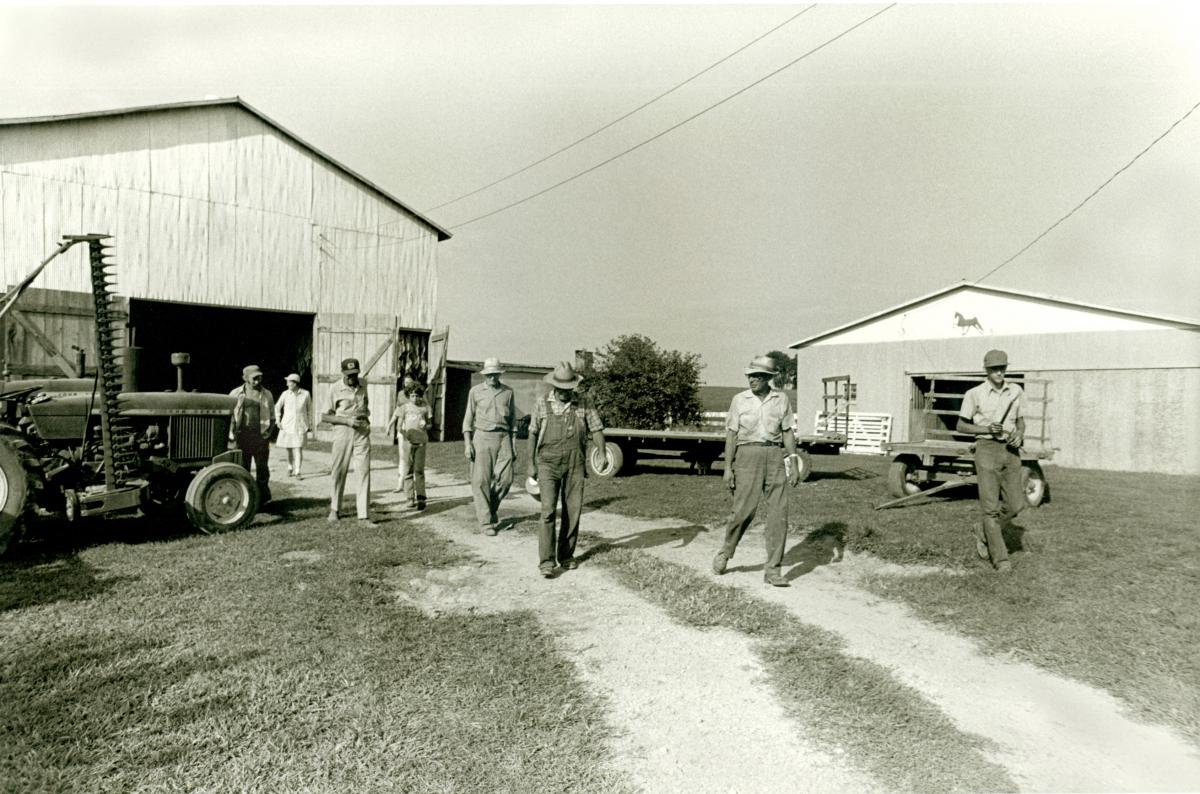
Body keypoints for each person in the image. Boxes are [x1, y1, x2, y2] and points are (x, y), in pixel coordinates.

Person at [712, 356, 801, 587]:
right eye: (750, 376)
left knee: (778, 515)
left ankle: (773, 569)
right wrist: (727, 468)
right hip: (746, 456)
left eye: (757, 376)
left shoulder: (781, 400)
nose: (751, 380)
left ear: (767, 378)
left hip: (774, 456)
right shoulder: (739, 400)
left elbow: (788, 432)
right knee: (743, 511)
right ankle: (726, 552)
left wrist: (793, 460)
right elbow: (731, 434)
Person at [528, 361, 605, 578]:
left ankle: (566, 555)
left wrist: (601, 452)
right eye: (561, 389)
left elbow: (597, 429)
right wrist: (530, 464)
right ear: (554, 386)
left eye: (568, 389)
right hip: (547, 463)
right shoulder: (542, 403)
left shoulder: (584, 402)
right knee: (548, 510)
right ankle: (546, 561)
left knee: (573, 510)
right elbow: (532, 433)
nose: (565, 393)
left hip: (575, 463)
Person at [956, 349, 1026, 573]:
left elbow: (1021, 421)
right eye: (994, 368)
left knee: (1016, 504)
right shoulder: (974, 394)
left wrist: (1020, 434)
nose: (999, 372)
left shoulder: (1015, 391)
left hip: (1011, 450)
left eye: (1002, 368)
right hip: (986, 449)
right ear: (986, 370)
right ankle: (1001, 558)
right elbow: (961, 425)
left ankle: (983, 530)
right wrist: (986, 428)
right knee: (990, 508)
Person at [462, 357, 517, 536]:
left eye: (495, 374)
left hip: (504, 436)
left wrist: (513, 445)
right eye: (489, 375)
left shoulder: (508, 392)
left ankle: (489, 508)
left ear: (499, 374)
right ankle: (486, 522)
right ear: (485, 375)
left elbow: (513, 420)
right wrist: (467, 443)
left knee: (506, 479)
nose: (492, 378)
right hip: (482, 436)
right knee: (481, 481)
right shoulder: (475, 392)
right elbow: (468, 418)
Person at [323, 357, 376, 527]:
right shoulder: (335, 389)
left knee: (363, 471)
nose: (352, 378)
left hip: (361, 432)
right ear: (343, 373)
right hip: (343, 431)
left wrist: (366, 421)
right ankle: (335, 509)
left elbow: (364, 406)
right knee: (339, 470)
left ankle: (364, 516)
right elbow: (325, 416)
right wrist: (347, 421)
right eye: (349, 375)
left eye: (354, 374)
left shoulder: (363, 384)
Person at [229, 364, 277, 505]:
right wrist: (232, 434)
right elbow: (230, 415)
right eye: (254, 378)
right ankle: (246, 500)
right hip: (242, 436)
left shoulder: (267, 394)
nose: (258, 381)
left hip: (260, 437)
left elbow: (273, 417)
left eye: (259, 377)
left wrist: (268, 433)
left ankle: (263, 500)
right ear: (245, 378)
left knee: (262, 469)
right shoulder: (235, 394)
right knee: (243, 469)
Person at [396, 383, 431, 509]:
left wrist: (425, 425)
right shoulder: (404, 407)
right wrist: (404, 433)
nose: (415, 398)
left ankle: (421, 498)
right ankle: (409, 498)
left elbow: (430, 425)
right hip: (408, 443)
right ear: (408, 396)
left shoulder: (424, 408)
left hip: (421, 442)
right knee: (408, 471)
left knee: (419, 470)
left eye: (417, 395)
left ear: (421, 396)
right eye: (412, 395)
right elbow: (399, 426)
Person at [274, 373, 313, 479]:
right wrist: (278, 420)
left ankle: (298, 472)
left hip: (301, 425)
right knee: (289, 449)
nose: (287, 384)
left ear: (295, 383)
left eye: (289, 382)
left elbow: (310, 409)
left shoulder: (305, 394)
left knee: (298, 448)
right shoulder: (285, 394)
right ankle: (290, 467)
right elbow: (277, 407)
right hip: (287, 426)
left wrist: (309, 423)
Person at [385, 375, 418, 495]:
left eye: (410, 382)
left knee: (413, 458)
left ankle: (412, 483)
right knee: (403, 457)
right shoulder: (400, 394)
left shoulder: (417, 394)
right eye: (406, 382)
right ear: (403, 383)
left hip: (415, 429)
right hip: (403, 429)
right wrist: (389, 425)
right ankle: (400, 483)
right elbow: (397, 411)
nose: (408, 384)